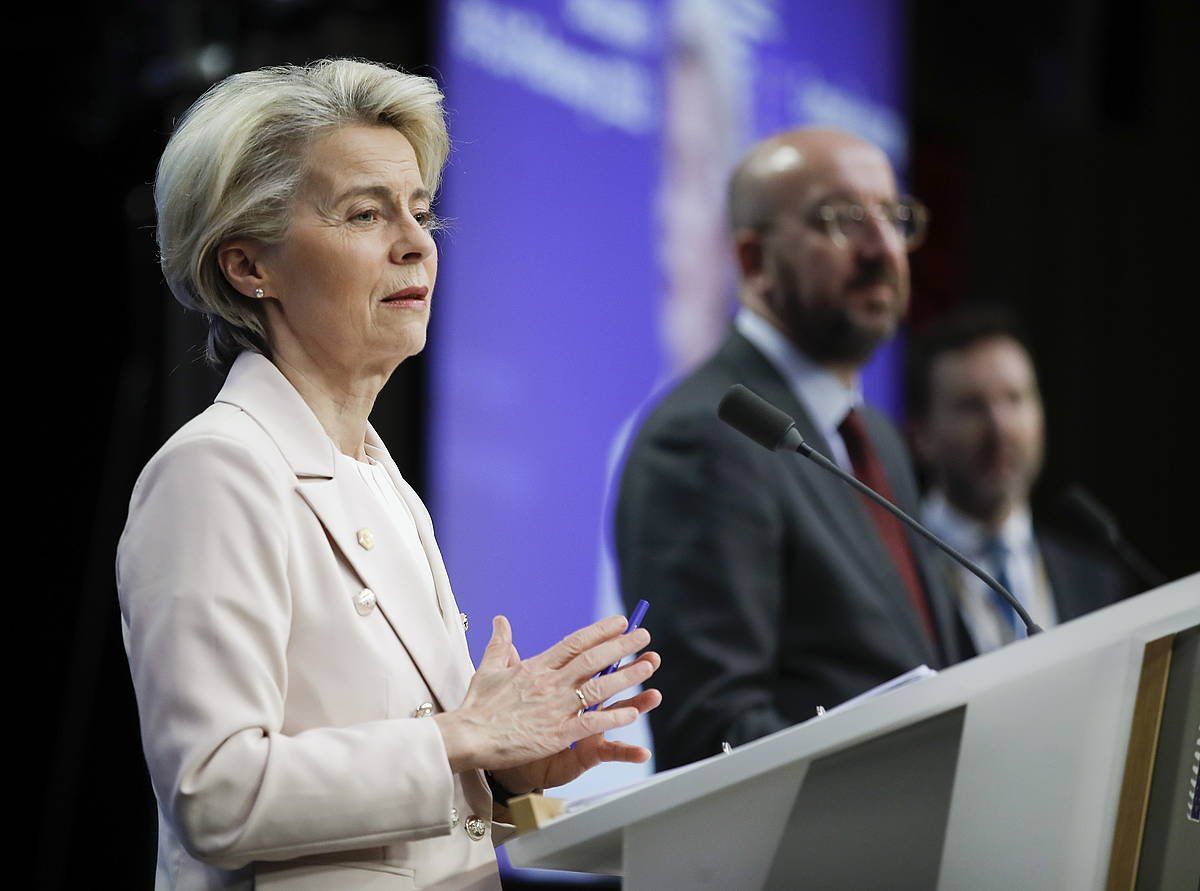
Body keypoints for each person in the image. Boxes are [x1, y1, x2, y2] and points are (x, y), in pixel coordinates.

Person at [117, 59, 661, 891]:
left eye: (419, 209)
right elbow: (217, 794)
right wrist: (467, 737)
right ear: (247, 267)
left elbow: (390, 815)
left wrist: (514, 778)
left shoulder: (380, 478)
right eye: (366, 213)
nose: (415, 242)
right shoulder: (215, 470)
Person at [615, 128, 963, 771]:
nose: (883, 248)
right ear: (753, 261)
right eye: (841, 220)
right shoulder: (702, 437)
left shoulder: (876, 437)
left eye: (893, 217)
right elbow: (713, 733)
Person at [906, 307, 1140, 655]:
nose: (1000, 428)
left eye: (1015, 399)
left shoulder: (1098, 580)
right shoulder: (897, 575)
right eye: (971, 406)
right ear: (921, 434)